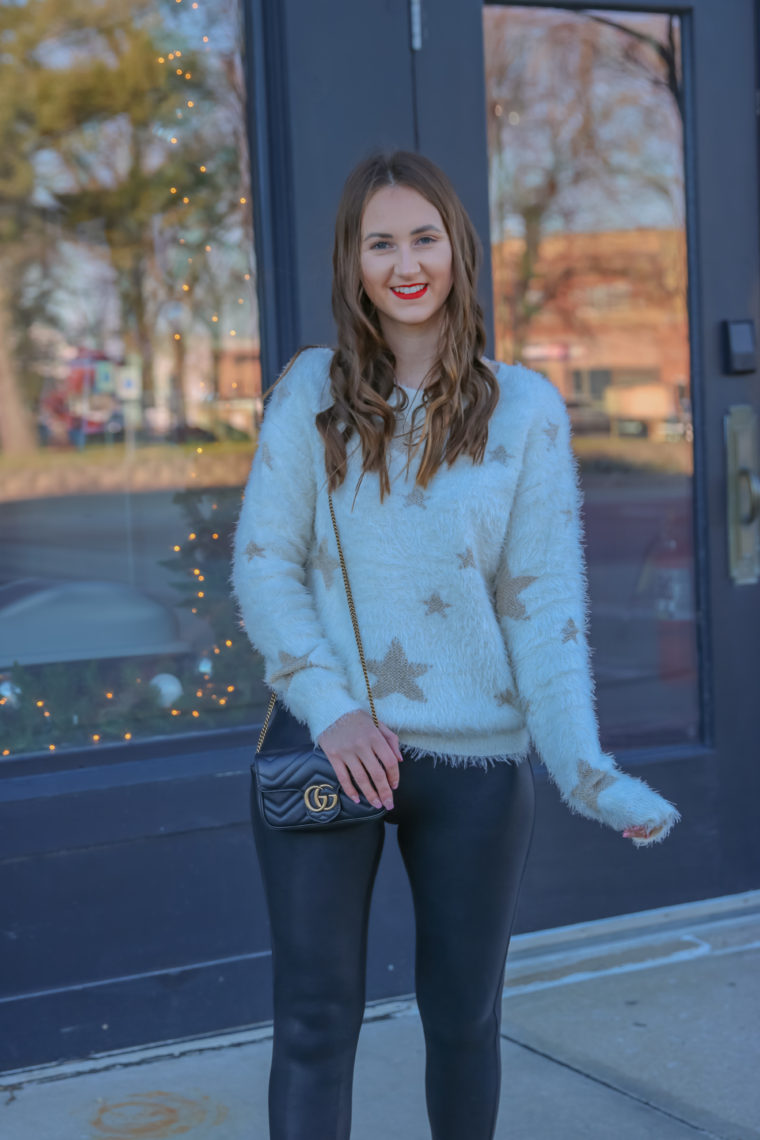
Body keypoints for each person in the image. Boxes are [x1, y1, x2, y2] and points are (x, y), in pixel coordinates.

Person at [231, 149, 681, 1140]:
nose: (405, 261)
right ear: (351, 259)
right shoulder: (309, 391)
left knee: (466, 1026)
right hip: (326, 748)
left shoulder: (522, 410)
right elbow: (264, 567)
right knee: (312, 1025)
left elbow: (544, 606)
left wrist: (586, 772)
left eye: (423, 237)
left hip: (474, 767)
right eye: (379, 239)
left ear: (456, 250)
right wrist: (336, 707)